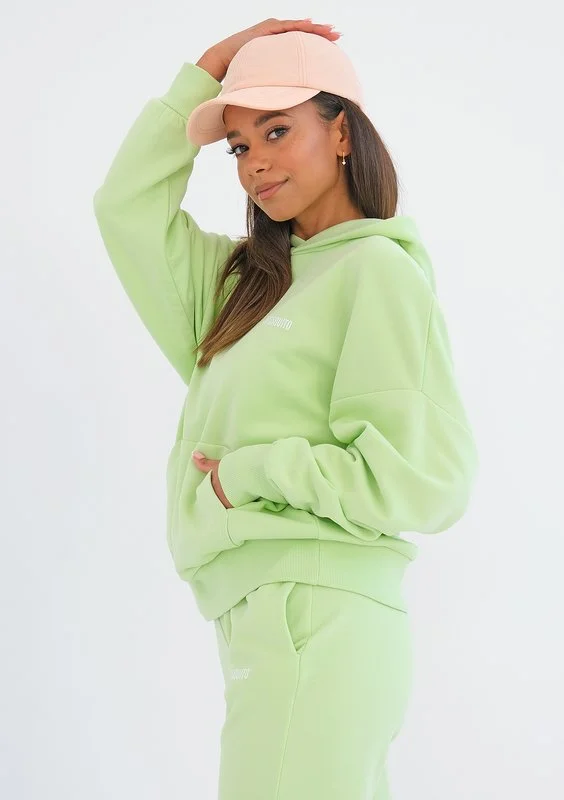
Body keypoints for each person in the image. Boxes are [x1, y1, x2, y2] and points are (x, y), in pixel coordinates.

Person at [93, 18, 479, 799]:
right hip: (264, 615)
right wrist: (207, 70)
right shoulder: (243, 287)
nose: (256, 163)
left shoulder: (376, 271)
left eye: (277, 130)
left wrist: (250, 473)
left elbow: (423, 479)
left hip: (318, 616)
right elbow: (124, 209)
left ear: (341, 132)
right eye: (238, 147)